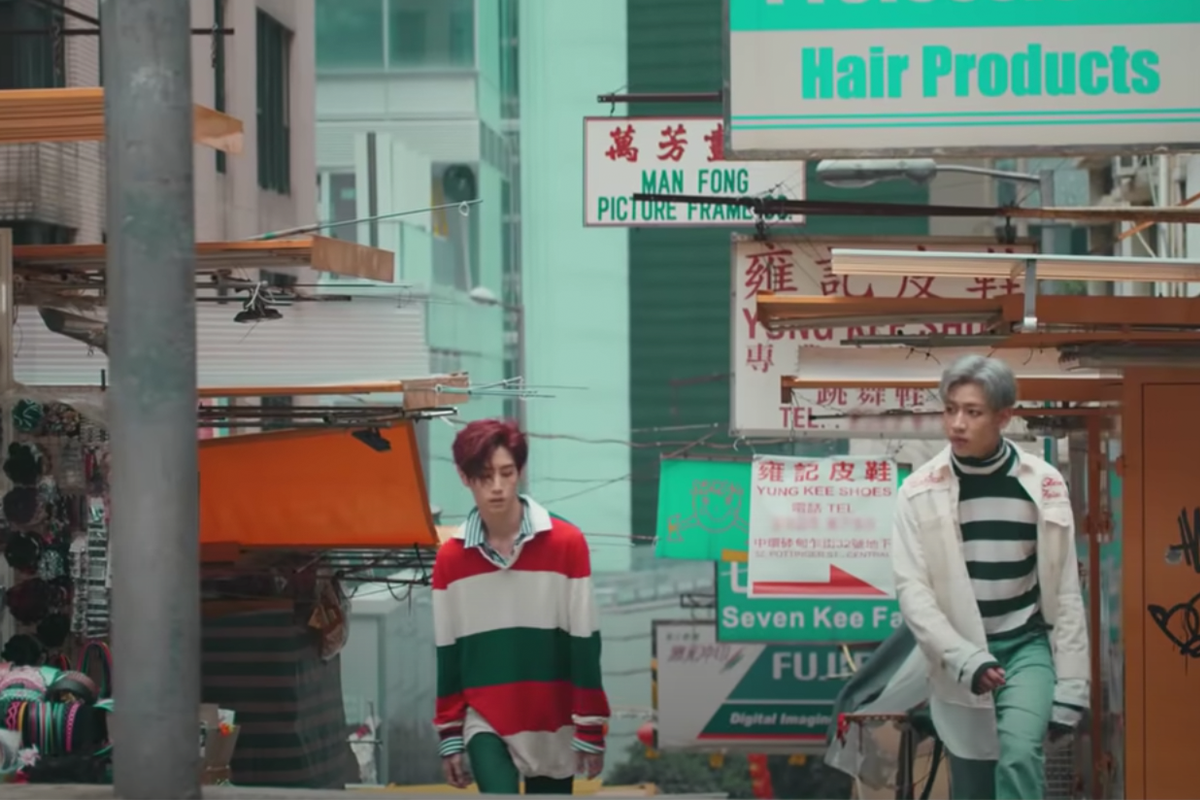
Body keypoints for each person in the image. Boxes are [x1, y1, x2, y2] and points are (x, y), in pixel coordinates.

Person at [891, 355, 1089, 800]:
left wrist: (1073, 686)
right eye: (950, 410)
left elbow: (1064, 590)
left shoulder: (1043, 483)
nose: (957, 423)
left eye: (972, 412)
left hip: (1025, 646)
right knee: (974, 783)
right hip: (958, 653)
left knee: (1019, 755)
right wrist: (965, 658)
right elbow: (914, 593)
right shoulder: (918, 491)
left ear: (1004, 417)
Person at [432, 418, 609, 795]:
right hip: (484, 716)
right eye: (484, 476)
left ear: (520, 472)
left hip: (553, 719)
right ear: (464, 477)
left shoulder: (567, 544)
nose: (497, 486)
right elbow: (448, 651)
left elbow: (584, 639)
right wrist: (450, 734)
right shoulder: (450, 559)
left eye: (506, 473)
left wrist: (590, 725)